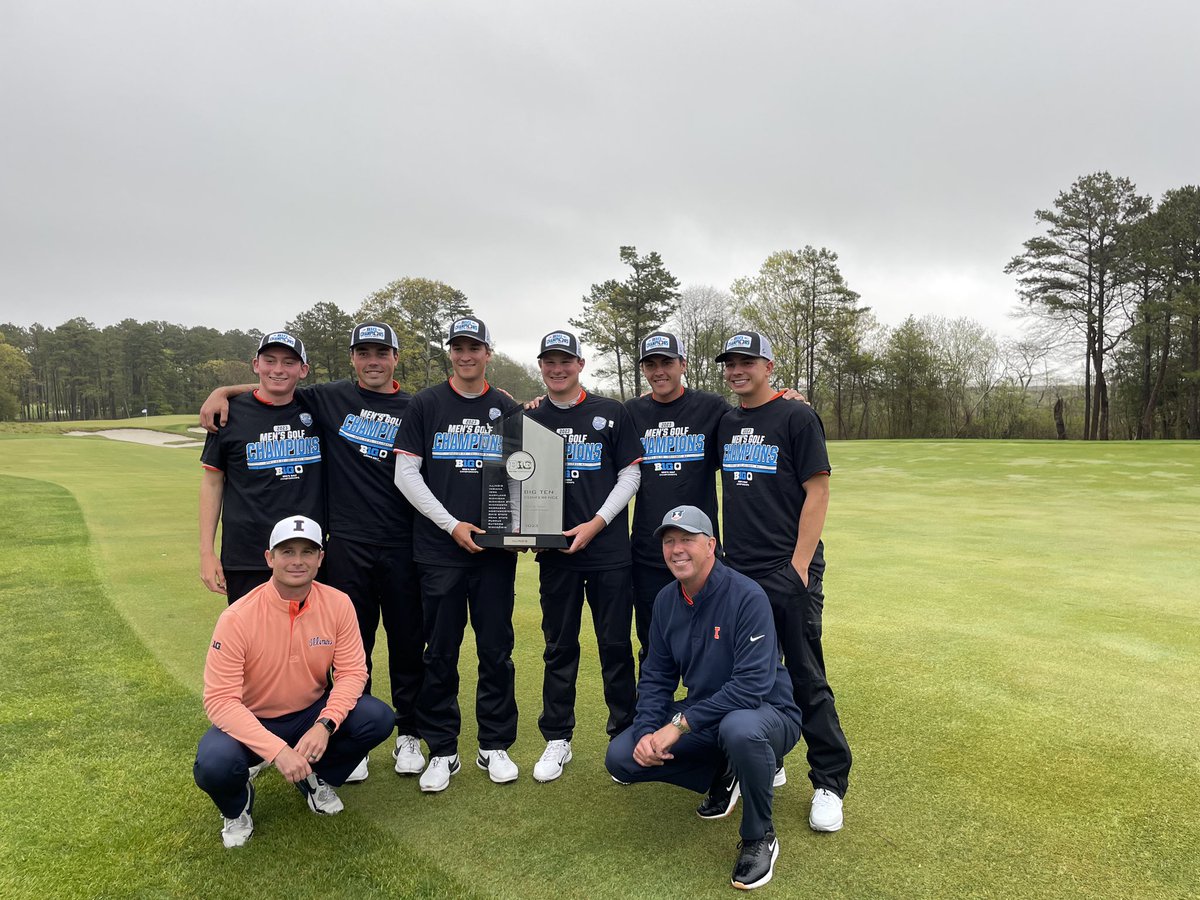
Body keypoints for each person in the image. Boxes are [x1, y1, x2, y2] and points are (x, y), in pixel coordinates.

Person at [199, 322, 425, 783]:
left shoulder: (415, 406)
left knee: (399, 643)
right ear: (352, 358)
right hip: (312, 548)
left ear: (396, 358)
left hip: (384, 545)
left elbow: (462, 406)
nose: (373, 360)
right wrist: (221, 389)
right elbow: (273, 387)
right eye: (364, 352)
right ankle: (275, 742)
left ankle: (405, 733)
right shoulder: (328, 397)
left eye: (382, 352)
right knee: (327, 649)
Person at [605, 506, 802, 891]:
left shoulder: (747, 596)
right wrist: (648, 732)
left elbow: (750, 687)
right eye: (669, 541)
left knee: (739, 729)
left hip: (767, 714)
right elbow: (658, 675)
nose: (677, 549)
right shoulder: (665, 600)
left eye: (688, 539)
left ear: (711, 545)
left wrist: (677, 726)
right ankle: (723, 774)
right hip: (707, 715)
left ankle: (759, 835)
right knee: (622, 756)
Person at [716, 330, 852, 833]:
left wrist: (798, 566)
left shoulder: (797, 415)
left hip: (787, 569)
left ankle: (830, 782)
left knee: (803, 673)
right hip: (738, 571)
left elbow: (817, 493)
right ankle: (769, 758)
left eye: (747, 361)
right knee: (749, 674)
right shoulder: (727, 421)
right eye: (730, 363)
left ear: (769, 366)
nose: (737, 370)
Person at [193, 515, 393, 848]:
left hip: (307, 714)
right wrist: (278, 751)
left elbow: (353, 673)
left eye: (307, 552)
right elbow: (220, 701)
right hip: (253, 720)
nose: (297, 561)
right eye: (287, 552)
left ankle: (315, 777)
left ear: (320, 559)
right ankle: (236, 807)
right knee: (215, 765)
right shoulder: (237, 617)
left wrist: (325, 725)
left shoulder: (339, 604)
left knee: (377, 718)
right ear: (270, 558)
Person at [392, 315, 522, 792]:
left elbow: (521, 474)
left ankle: (494, 745)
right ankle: (443, 749)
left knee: (496, 650)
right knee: (440, 653)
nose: (466, 355)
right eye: (458, 347)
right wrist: (452, 525)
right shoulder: (426, 403)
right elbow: (406, 475)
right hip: (439, 551)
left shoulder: (506, 407)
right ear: (451, 352)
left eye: (475, 347)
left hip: (493, 553)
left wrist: (525, 528)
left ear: (489, 353)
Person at [525, 329, 642, 783]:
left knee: (615, 646)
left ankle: (624, 735)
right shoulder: (529, 417)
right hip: (555, 555)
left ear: (580, 364)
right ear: (541, 366)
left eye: (565, 361)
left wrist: (596, 523)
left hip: (609, 551)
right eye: (549, 361)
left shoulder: (612, 412)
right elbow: (516, 479)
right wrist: (525, 530)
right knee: (559, 647)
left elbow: (629, 478)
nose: (557, 368)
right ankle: (558, 738)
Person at [199, 332, 324, 604]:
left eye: (289, 363)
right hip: (246, 554)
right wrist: (206, 553)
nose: (278, 369)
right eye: (270, 361)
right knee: (251, 642)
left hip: (307, 553)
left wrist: (223, 389)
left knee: (307, 642)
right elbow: (212, 483)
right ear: (256, 364)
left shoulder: (318, 407)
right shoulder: (227, 415)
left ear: (303, 370)